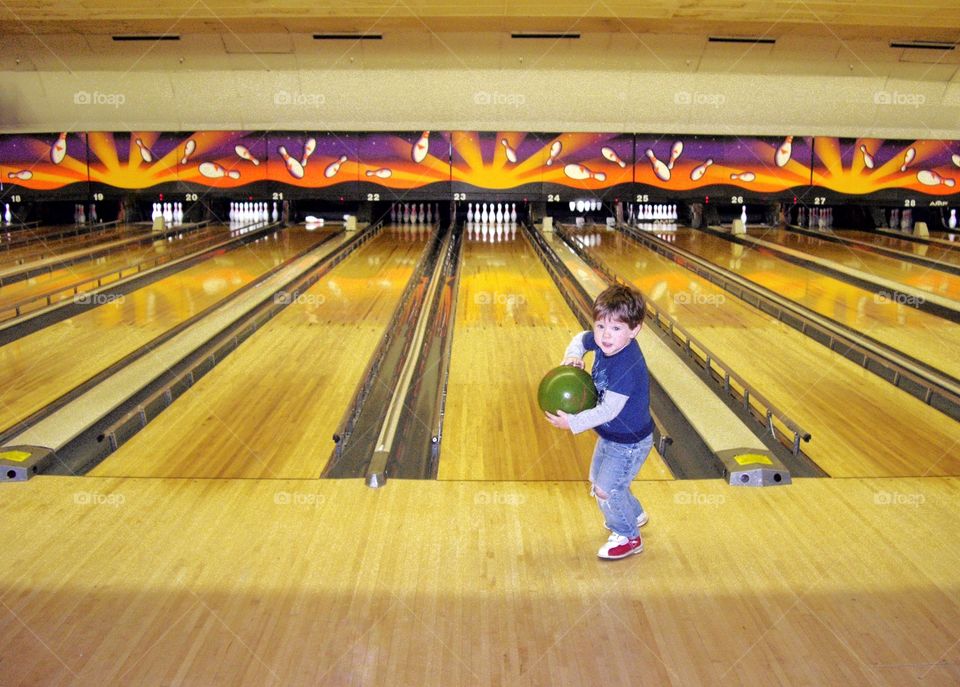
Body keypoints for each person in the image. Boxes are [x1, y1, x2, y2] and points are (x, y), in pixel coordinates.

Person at [545, 283, 653, 560]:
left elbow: (607, 411)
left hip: (629, 442)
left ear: (634, 330)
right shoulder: (604, 341)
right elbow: (581, 339)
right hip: (612, 436)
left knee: (606, 491)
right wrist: (572, 355)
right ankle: (635, 514)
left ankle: (629, 537)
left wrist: (574, 422)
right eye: (601, 326)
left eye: (616, 329)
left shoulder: (626, 366)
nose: (605, 336)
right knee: (598, 480)